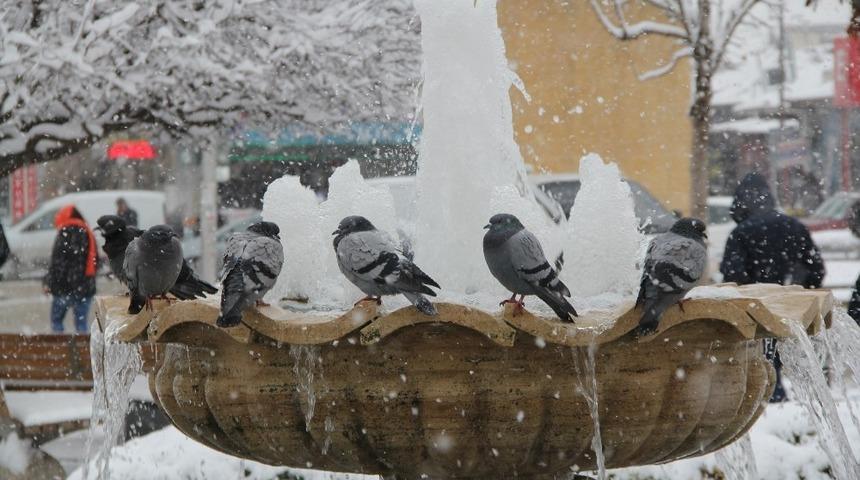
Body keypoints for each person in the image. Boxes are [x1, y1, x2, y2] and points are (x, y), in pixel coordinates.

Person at [720, 172, 825, 403]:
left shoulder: (740, 233)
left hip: (757, 310)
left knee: (762, 363)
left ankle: (770, 400)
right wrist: (801, 295)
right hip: (790, 310)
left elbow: (732, 276)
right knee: (799, 362)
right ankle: (792, 405)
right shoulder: (794, 226)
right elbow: (815, 268)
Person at [43, 205, 98, 333]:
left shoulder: (64, 233)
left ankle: (60, 349)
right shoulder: (88, 232)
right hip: (85, 288)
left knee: (57, 322)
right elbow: (96, 262)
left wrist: (48, 283)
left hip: (63, 287)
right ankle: (82, 350)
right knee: (81, 325)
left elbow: (57, 263)